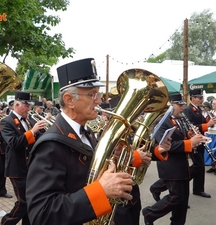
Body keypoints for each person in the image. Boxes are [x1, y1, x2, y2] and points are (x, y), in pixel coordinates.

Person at [26, 58, 134, 225]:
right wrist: (101, 191)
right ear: (69, 100)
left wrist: (114, 157)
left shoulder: (87, 132)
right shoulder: (50, 146)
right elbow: (42, 214)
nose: (99, 101)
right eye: (92, 94)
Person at [142, 93, 207, 225]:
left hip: (181, 165)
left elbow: (180, 137)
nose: (183, 107)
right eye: (180, 104)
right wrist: (189, 143)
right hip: (170, 166)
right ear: (170, 105)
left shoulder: (179, 119)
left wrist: (190, 136)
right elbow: (164, 146)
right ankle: (149, 213)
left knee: (183, 201)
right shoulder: (161, 122)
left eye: (183, 104)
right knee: (176, 198)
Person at [0, 91, 47, 225]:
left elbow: (41, 137)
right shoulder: (6, 122)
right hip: (17, 168)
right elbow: (14, 143)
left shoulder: (30, 120)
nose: (29, 108)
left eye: (29, 106)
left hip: (31, 168)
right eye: (26, 106)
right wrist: (32, 132)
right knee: (24, 202)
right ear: (17, 105)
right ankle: (6, 222)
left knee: (30, 202)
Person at [183, 89, 216, 198]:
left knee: (200, 166)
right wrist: (207, 125)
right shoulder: (188, 110)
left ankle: (198, 189)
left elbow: (201, 122)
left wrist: (209, 120)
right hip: (193, 140)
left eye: (202, 97)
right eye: (199, 98)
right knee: (198, 165)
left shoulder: (197, 109)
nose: (202, 99)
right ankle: (175, 182)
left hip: (200, 139)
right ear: (193, 98)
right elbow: (191, 127)